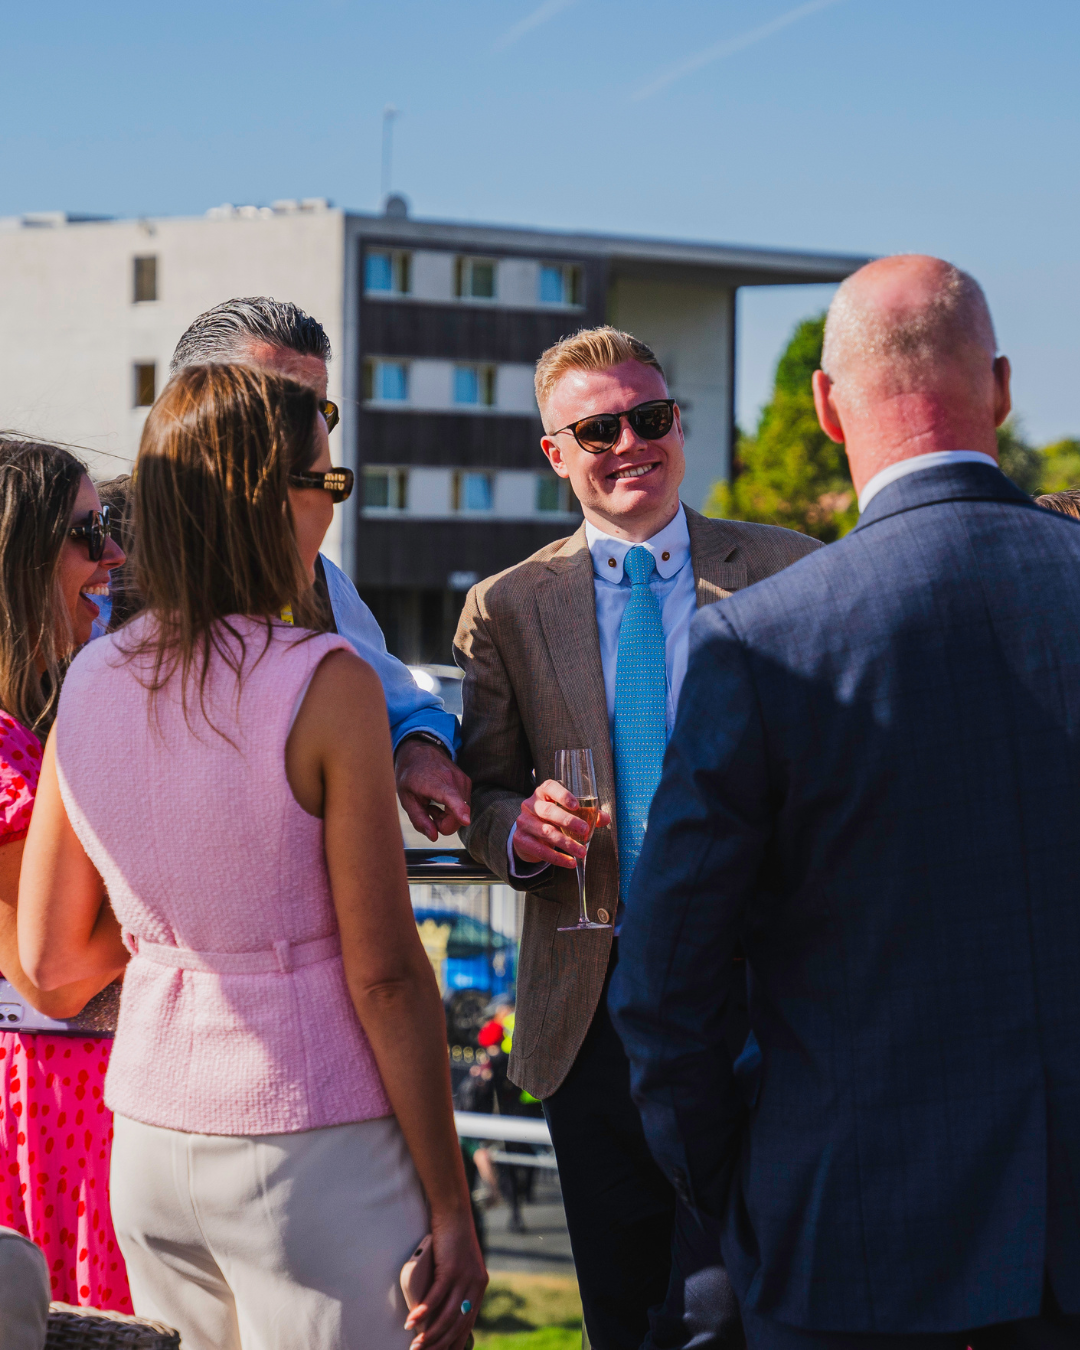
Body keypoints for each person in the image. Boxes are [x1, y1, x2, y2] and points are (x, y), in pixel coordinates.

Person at [610, 256, 1080, 1350]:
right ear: (1002, 389)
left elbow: (667, 989)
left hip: (855, 1241)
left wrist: (749, 1195)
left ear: (825, 405)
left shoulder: (767, 643)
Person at [17, 366, 486, 1350]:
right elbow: (389, 975)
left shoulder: (93, 675)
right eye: (331, 481)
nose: (333, 509)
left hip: (145, 1140)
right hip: (313, 1142)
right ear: (276, 499)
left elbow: (52, 961)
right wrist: (452, 1203)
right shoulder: (323, 681)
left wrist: (187, 942)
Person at [454, 327, 819, 1350]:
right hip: (594, 1009)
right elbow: (480, 794)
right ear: (556, 454)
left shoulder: (794, 569)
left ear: (677, 429)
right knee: (623, 1310)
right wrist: (518, 831)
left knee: (769, 1300)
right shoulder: (507, 609)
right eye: (599, 427)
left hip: (768, 994)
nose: (631, 444)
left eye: (650, 418)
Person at [170, 297, 471, 843]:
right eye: (279, 407)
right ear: (194, 410)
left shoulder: (322, 580)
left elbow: (408, 709)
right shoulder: (98, 558)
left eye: (320, 412)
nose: (309, 434)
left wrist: (417, 752)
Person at [0, 436, 132, 1310]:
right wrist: (210, 896)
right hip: (53, 1113)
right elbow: (55, 975)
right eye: (88, 532)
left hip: (70, 1108)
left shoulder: (28, 726)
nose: (113, 553)